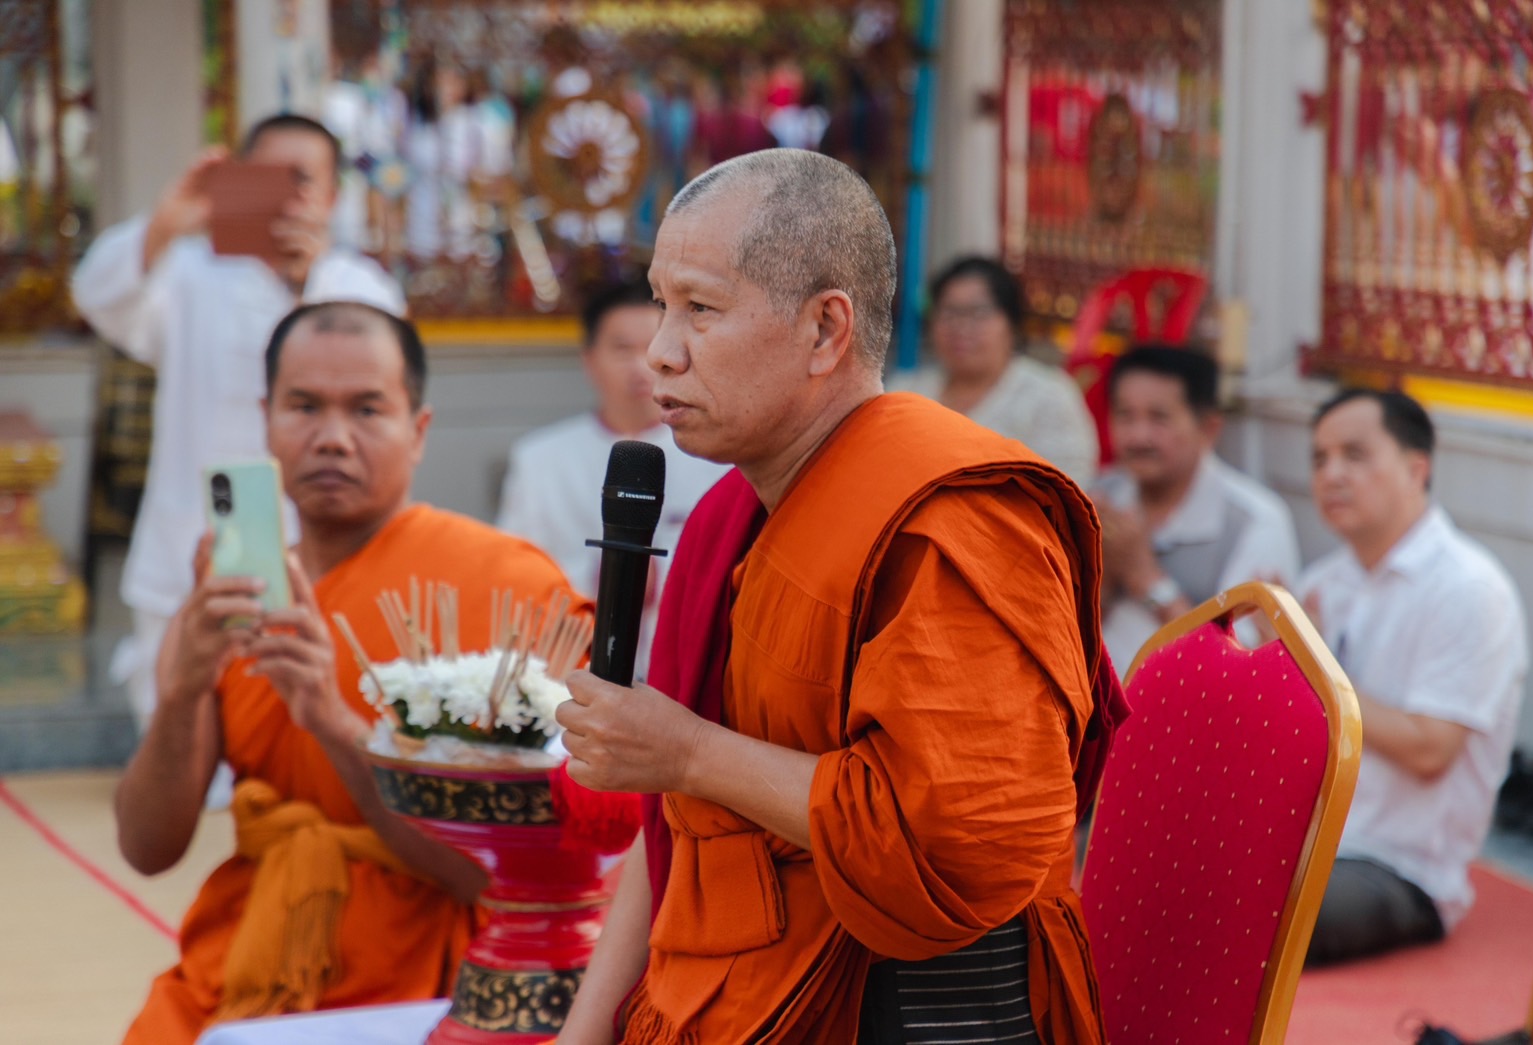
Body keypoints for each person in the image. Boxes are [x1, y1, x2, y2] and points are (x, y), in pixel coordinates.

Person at [554, 149, 1116, 1043]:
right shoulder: (733, 514)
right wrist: (585, 1031)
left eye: (700, 308)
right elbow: (682, 832)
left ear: (825, 330)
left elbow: (964, 850)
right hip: (719, 990)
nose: (659, 351)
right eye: (662, 304)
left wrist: (691, 752)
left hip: (907, 1008)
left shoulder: (954, 520)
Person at [115, 302, 588, 1043]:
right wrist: (182, 688)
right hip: (244, 962)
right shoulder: (226, 599)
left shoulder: (504, 587)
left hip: (436, 976)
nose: (332, 437)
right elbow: (148, 847)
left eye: (367, 408)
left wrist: (333, 721)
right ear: (266, 420)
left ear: (418, 430)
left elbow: (501, 876)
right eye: (304, 406)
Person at [71, 114, 405, 737]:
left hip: (312, 540)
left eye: (303, 179)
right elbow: (96, 295)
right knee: (176, 729)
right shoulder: (189, 270)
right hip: (188, 535)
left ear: (332, 196)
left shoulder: (359, 285)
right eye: (267, 177)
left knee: (295, 731)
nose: (287, 195)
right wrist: (169, 221)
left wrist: (305, 284)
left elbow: (381, 381)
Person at [1301, 388, 1527, 965]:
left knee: (1249, 913)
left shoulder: (1469, 589)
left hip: (1400, 868)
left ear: (1415, 468)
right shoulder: (1323, 582)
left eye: (1354, 454)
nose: (1332, 474)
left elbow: (1431, 749)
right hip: (1306, 839)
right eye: (1320, 458)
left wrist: (1318, 669)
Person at [495, 282, 726, 678]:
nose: (640, 365)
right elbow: (515, 576)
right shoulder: (540, 460)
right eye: (622, 349)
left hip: (683, 668)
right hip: (566, 663)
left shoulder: (717, 460)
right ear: (589, 359)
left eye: (651, 347)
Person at [1094, 345, 1299, 671]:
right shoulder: (1100, 496)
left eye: (1158, 418)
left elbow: (1236, 671)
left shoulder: (1255, 521)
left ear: (1209, 428)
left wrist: (1145, 579)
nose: (1138, 436)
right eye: (1125, 416)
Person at [889, 255, 1099, 484]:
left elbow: (1068, 486)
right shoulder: (905, 392)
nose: (960, 327)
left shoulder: (1049, 396)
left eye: (978, 313)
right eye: (949, 312)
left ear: (1011, 322)